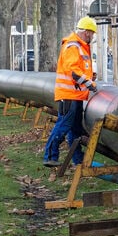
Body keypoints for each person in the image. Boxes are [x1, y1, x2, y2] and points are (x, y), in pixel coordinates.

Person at [43, 16, 99, 168]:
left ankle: (78, 160)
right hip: (68, 95)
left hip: (76, 95)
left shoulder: (79, 46)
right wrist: (90, 84)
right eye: (92, 33)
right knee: (63, 125)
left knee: (75, 129)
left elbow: (80, 70)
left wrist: (89, 77)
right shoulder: (73, 46)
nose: (92, 37)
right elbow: (73, 72)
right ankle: (50, 156)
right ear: (87, 32)